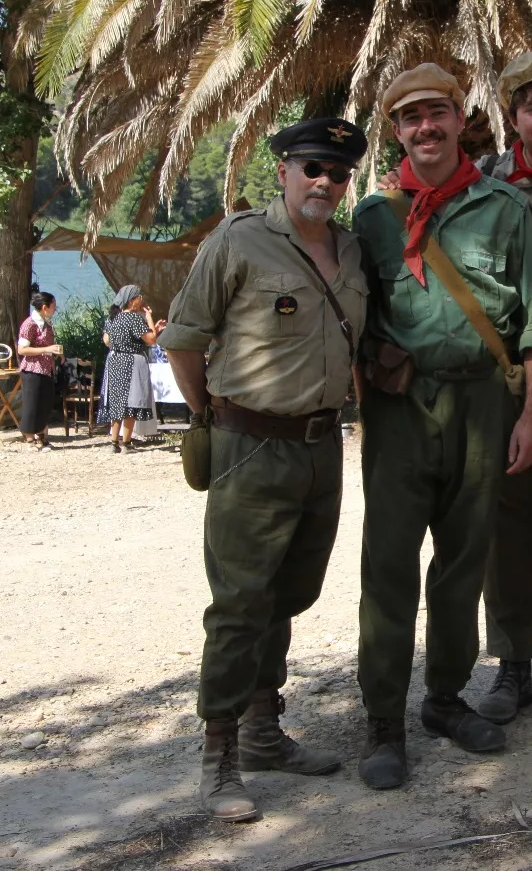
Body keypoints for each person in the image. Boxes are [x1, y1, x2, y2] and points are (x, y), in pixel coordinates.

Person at [353, 62, 532, 790]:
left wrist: (531, 414)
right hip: (400, 410)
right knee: (388, 567)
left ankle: (442, 699)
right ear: (396, 130)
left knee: (463, 562)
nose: (426, 128)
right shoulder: (373, 218)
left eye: (437, 113)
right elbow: (348, 313)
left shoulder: (502, 208)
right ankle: (383, 719)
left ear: (459, 118)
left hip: (481, 403)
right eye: (411, 118)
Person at [161, 117, 370, 822]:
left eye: (337, 173)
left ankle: (261, 731)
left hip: (319, 448)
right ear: (281, 170)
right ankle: (218, 755)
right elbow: (184, 338)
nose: (324, 182)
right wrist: (209, 415)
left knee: (288, 593)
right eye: (311, 167)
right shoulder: (238, 240)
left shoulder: (351, 249)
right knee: (239, 603)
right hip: (249, 444)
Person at [98, 285, 166, 452]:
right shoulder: (134, 319)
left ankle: (114, 442)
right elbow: (151, 340)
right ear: (133, 301)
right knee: (131, 402)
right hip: (131, 362)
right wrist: (149, 319)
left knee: (117, 402)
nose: (142, 299)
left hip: (115, 361)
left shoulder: (114, 318)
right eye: (139, 297)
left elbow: (108, 340)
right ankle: (127, 443)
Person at [16, 291, 63, 449]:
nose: (55, 309)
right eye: (53, 306)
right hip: (32, 369)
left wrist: (56, 354)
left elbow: (48, 345)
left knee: (45, 402)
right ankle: (29, 438)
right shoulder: (29, 324)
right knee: (32, 403)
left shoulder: (47, 324)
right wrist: (46, 349)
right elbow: (22, 349)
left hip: (46, 368)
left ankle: (41, 435)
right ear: (45, 307)